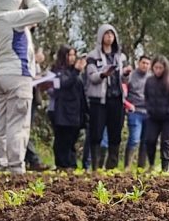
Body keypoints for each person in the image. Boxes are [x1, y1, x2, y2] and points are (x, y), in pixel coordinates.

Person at [0, 0, 49, 174]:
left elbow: (17, 31)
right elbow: (42, 12)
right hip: (17, 75)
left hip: (0, 75)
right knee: (19, 122)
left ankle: (2, 163)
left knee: (3, 121)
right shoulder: (10, 18)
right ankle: (16, 166)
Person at [86, 24, 132, 170]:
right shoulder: (93, 56)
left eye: (112, 34)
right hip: (99, 100)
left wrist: (125, 74)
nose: (109, 37)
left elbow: (126, 81)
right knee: (97, 132)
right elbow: (91, 76)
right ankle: (95, 166)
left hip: (117, 98)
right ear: (101, 36)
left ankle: (112, 166)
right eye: (107, 34)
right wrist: (103, 74)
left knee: (115, 133)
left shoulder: (120, 57)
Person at [49, 45, 87, 169]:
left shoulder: (76, 72)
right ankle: (62, 164)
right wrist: (76, 71)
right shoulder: (57, 70)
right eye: (69, 55)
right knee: (61, 139)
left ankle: (71, 164)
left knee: (72, 139)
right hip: (61, 110)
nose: (72, 58)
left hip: (75, 111)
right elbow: (63, 84)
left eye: (73, 55)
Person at [144, 55, 169, 172]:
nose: (158, 70)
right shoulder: (149, 81)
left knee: (166, 142)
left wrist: (168, 111)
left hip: (168, 118)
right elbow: (146, 97)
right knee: (150, 140)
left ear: (165, 68)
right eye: (156, 67)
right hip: (153, 116)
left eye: (160, 68)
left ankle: (164, 168)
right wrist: (149, 109)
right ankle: (151, 165)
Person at [124, 56, 151, 169]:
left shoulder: (151, 78)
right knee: (134, 139)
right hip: (135, 111)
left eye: (147, 63)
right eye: (143, 63)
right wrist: (127, 105)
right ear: (138, 63)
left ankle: (141, 167)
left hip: (148, 113)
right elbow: (123, 91)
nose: (145, 65)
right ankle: (127, 166)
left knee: (146, 141)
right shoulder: (130, 76)